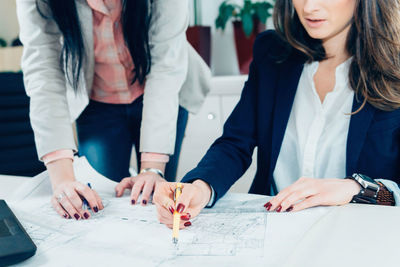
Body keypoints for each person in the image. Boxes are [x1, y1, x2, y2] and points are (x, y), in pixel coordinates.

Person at [154, 0, 400, 229]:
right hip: (274, 231)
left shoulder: (394, 68)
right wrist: (201, 187)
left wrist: (356, 188)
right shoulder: (271, 53)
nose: (309, 7)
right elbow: (235, 144)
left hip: (357, 235)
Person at [16, 0, 210, 220]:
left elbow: (166, 66)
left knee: (153, 195)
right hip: (97, 101)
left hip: (162, 90)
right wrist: (63, 181)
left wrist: (152, 170)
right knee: (101, 200)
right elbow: (44, 70)